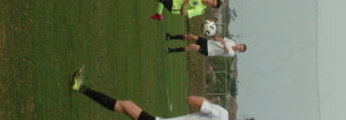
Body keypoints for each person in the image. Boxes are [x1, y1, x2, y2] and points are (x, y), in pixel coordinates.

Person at [70, 64, 228, 119]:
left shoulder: (222, 115)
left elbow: (191, 99)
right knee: (123, 106)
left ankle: (80, 87)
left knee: (125, 105)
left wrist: (207, 102)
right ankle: (80, 87)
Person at [165, 33, 247, 58]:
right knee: (191, 36)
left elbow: (227, 51)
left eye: (240, 49)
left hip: (208, 51)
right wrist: (215, 36)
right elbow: (221, 40)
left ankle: (171, 50)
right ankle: (171, 37)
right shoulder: (231, 42)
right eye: (240, 46)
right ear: (239, 44)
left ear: (239, 51)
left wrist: (225, 45)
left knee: (192, 46)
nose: (239, 47)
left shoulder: (232, 53)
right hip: (208, 42)